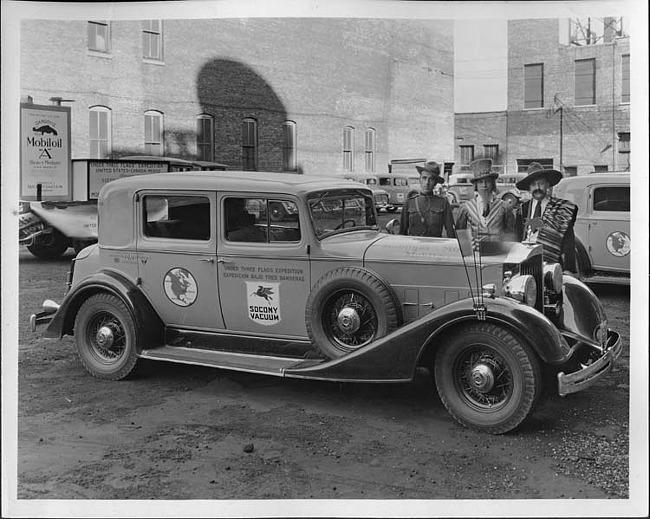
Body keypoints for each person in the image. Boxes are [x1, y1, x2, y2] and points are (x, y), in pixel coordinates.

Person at [515, 162, 578, 272]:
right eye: (534, 184)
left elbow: (569, 242)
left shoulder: (561, 209)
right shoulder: (522, 209)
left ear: (548, 185)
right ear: (529, 188)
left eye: (541, 184)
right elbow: (516, 238)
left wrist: (569, 269)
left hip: (552, 265)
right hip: (526, 263)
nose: (537, 188)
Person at [455, 158, 517, 245]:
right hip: (475, 255)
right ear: (476, 185)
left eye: (487, 181)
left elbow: (511, 233)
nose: (484, 185)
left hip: (498, 254)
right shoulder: (466, 208)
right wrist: (467, 247)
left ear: (492, 184)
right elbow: (460, 234)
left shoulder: (504, 207)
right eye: (480, 182)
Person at [399, 161, 455, 238]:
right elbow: (402, 233)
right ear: (420, 180)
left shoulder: (443, 203)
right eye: (424, 178)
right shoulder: (409, 203)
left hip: (435, 247)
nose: (427, 182)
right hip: (413, 247)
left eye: (431, 179)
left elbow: (451, 232)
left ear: (435, 183)